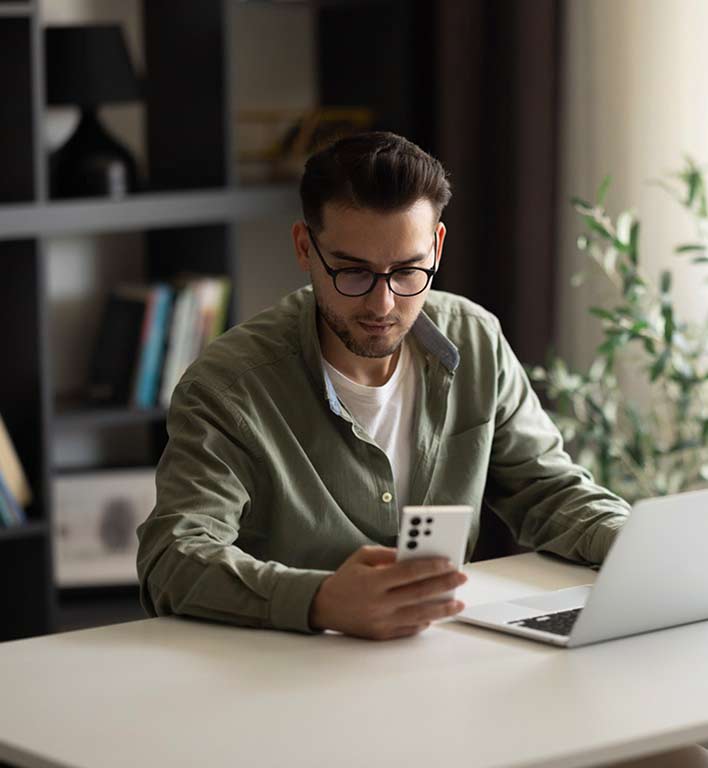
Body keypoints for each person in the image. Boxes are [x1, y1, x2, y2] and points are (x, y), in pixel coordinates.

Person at [137, 129, 630, 639]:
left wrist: (634, 543)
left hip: (444, 657)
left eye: (408, 271)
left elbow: (547, 491)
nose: (383, 305)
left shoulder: (476, 341)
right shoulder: (228, 385)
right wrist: (320, 602)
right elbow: (172, 558)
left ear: (436, 245)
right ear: (305, 248)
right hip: (284, 673)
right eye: (353, 273)